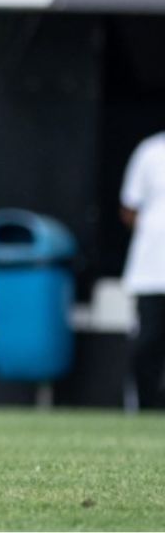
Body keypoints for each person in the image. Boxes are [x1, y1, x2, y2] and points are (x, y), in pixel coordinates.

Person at [120, 130, 165, 410]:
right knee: (148, 339)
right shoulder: (150, 151)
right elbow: (129, 207)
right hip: (151, 269)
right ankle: (145, 405)